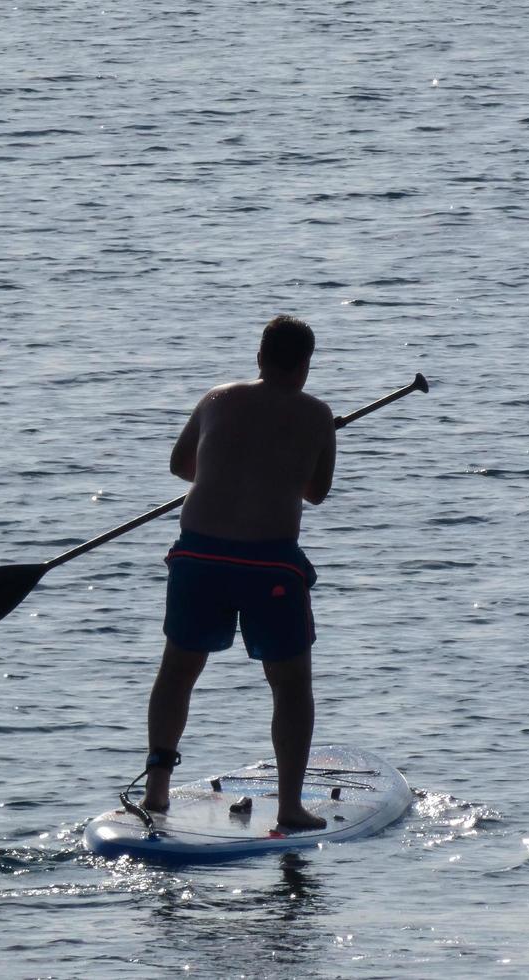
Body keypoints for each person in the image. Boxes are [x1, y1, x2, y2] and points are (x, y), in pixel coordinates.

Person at [139, 315, 337, 830]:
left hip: (199, 556)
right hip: (269, 561)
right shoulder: (317, 414)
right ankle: (291, 807)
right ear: (305, 366)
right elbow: (316, 492)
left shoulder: (217, 399)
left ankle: (157, 789)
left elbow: (182, 466)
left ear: (259, 358)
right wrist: (310, 444)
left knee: (178, 669)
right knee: (290, 684)